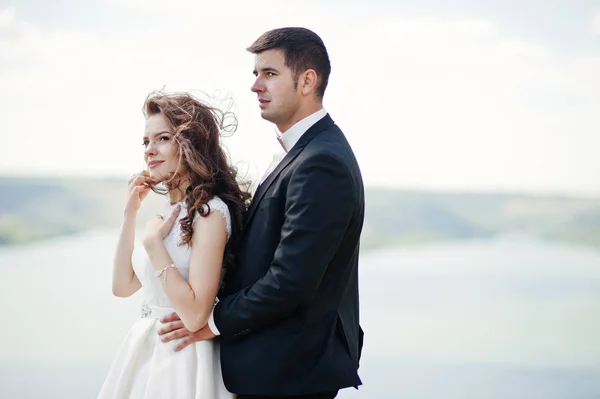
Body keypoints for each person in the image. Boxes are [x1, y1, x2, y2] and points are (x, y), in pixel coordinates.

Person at [159, 27, 365, 399]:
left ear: (307, 81)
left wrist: (214, 319)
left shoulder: (321, 163)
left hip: (289, 371)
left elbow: (291, 281)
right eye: (255, 74)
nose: (255, 86)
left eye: (269, 74)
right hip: (276, 366)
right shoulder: (300, 152)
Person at [98, 91, 250, 399]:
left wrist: (155, 246)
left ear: (190, 142)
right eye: (145, 142)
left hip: (183, 359)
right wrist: (130, 214)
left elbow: (195, 315)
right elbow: (122, 286)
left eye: (162, 138)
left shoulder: (210, 213)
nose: (149, 151)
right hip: (146, 353)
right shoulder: (171, 210)